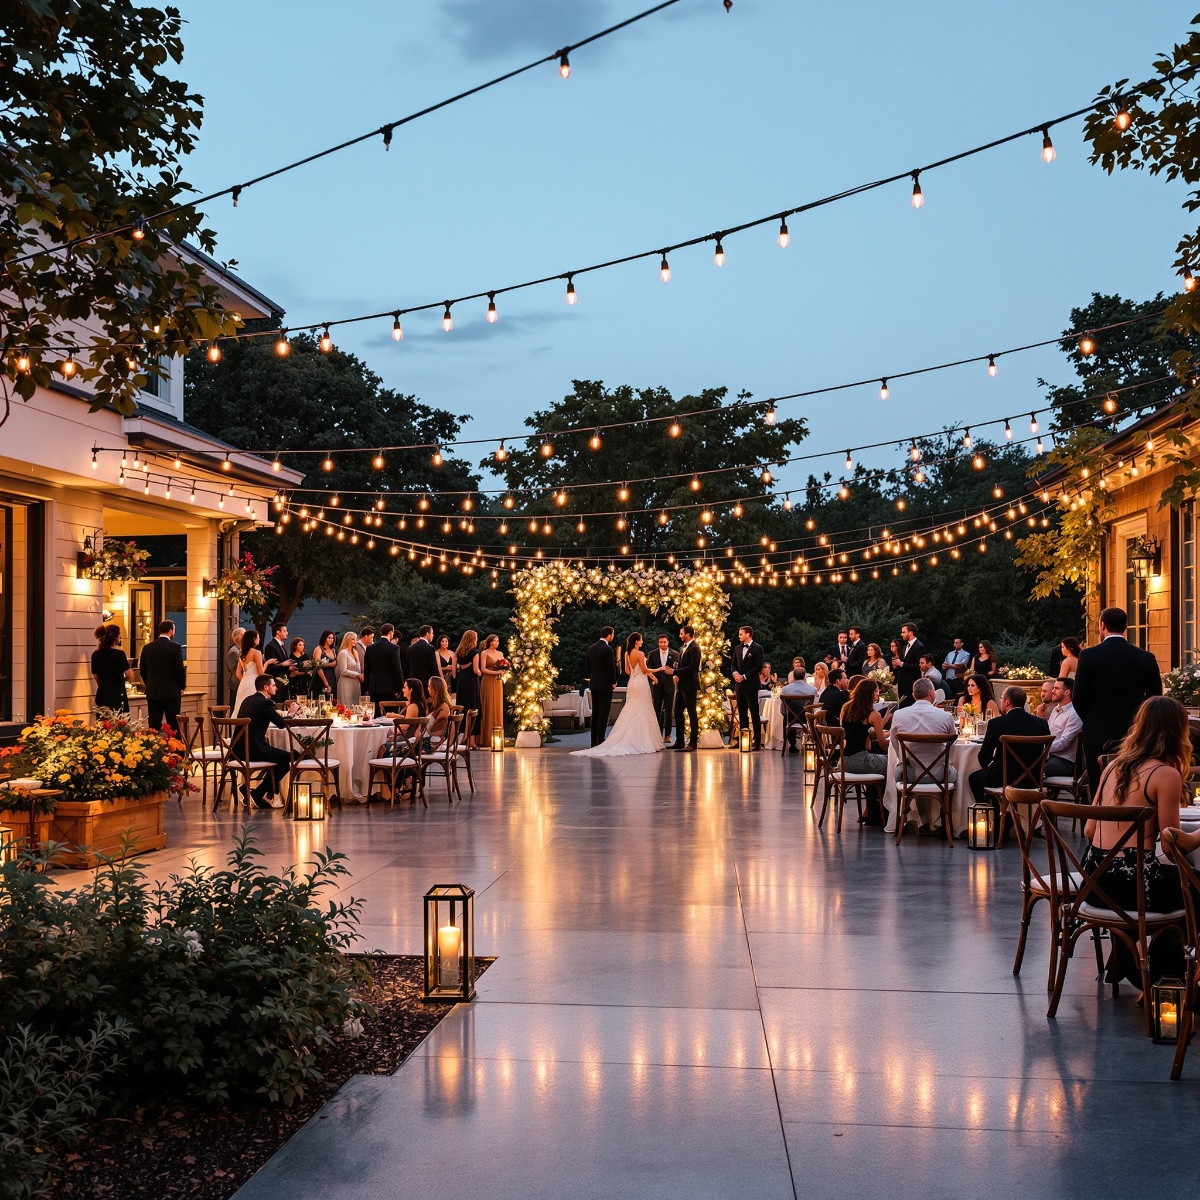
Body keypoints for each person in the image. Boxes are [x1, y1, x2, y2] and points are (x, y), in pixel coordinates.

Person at [1092, 697, 1197, 988]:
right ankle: (1167, 977)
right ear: (1179, 732)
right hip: (1133, 886)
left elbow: (1090, 831)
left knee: (1181, 886)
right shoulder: (1165, 774)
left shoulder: (1112, 768)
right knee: (1192, 888)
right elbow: (1171, 845)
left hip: (1095, 882)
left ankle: (1127, 957)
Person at [1073, 606, 1163, 798]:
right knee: (1135, 785)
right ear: (1126, 627)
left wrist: (1090, 718)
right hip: (1135, 732)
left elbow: (1078, 697)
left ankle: (1098, 826)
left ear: (1102, 625)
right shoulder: (1145, 658)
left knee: (1099, 787)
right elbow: (1155, 698)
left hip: (1097, 731)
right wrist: (1141, 723)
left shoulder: (1089, 656)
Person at [573, 633, 663, 758]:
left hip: (632, 683)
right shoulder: (640, 654)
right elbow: (644, 670)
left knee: (632, 708)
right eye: (641, 640)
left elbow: (627, 671)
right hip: (641, 684)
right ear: (637, 641)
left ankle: (615, 738)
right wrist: (658, 670)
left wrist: (649, 676)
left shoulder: (627, 653)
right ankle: (641, 740)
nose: (642, 642)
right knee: (643, 708)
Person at [889, 678, 958, 832]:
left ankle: (922, 821)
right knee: (958, 774)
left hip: (910, 775)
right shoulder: (946, 717)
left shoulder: (899, 715)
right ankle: (944, 821)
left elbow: (894, 742)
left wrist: (904, 760)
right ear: (931, 693)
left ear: (914, 695)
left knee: (907, 769)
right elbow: (952, 744)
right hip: (940, 776)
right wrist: (947, 765)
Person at [968, 686, 1051, 808]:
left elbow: (984, 759)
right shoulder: (1041, 724)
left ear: (1007, 702)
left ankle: (989, 814)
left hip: (1002, 779)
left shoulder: (997, 724)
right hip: (1033, 779)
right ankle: (1009, 817)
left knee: (974, 778)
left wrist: (991, 765)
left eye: (1001, 699)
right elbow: (1046, 754)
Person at [236, 673, 295, 809]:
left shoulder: (248, 699)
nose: (276, 688)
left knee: (284, 756)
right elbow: (281, 724)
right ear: (266, 687)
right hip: (253, 749)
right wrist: (292, 713)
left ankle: (259, 791)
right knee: (291, 756)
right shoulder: (265, 702)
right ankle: (259, 793)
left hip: (238, 750)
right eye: (274, 685)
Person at [840, 678, 890, 821]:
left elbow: (851, 732)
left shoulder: (846, 708)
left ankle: (871, 810)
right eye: (876, 691)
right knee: (891, 763)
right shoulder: (873, 714)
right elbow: (882, 744)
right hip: (860, 761)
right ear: (871, 693)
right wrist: (896, 737)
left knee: (878, 763)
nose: (878, 693)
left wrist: (869, 736)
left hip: (844, 762)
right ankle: (883, 811)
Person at [139, 619, 186, 735]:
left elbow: (142, 670)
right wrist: (181, 687)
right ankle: (176, 751)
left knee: (153, 725)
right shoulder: (175, 647)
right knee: (173, 725)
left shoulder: (147, 648)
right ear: (171, 631)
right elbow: (180, 669)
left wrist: (149, 683)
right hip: (171, 692)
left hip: (153, 692)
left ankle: (154, 750)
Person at [732, 625, 765, 750]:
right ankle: (743, 740)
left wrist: (744, 676)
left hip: (751, 685)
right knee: (742, 714)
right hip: (739, 685)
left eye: (741, 634)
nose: (739, 636)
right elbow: (734, 664)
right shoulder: (737, 648)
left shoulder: (757, 648)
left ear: (748, 634)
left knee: (754, 713)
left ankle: (757, 742)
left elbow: (758, 666)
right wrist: (735, 674)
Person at [584, 627, 618, 747]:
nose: (613, 637)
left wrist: (594, 677)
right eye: (613, 634)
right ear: (609, 635)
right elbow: (611, 668)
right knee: (604, 712)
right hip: (605, 685)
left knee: (596, 712)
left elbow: (587, 667)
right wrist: (613, 681)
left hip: (594, 684)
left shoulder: (591, 648)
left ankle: (593, 740)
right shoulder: (607, 649)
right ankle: (600, 739)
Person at [1044, 676, 1082, 779]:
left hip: (1065, 761)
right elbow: (1047, 733)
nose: (1052, 691)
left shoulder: (1074, 714)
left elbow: (1064, 742)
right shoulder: (1056, 709)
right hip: (1049, 756)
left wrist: (1043, 748)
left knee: (1035, 769)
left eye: (1056, 688)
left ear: (1067, 692)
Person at [363, 623, 404, 716]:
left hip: (374, 686)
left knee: (376, 715)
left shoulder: (370, 648)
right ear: (390, 632)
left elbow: (367, 669)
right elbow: (397, 669)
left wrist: (367, 687)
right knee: (390, 715)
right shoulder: (394, 648)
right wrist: (399, 687)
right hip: (389, 687)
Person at [672, 626, 701, 751]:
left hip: (690, 685)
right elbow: (684, 665)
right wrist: (677, 671)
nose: (680, 635)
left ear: (688, 634)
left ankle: (693, 743)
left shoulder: (695, 648)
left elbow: (693, 667)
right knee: (677, 711)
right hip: (682, 685)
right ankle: (679, 741)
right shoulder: (684, 648)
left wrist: (675, 671)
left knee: (691, 712)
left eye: (681, 633)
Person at [91, 623, 132, 713]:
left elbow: (96, 676)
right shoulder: (119, 654)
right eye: (119, 634)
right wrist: (121, 679)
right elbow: (129, 675)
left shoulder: (95, 654)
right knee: (120, 722)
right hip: (117, 692)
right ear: (115, 637)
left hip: (102, 692)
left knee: (103, 722)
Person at [646, 634, 679, 743]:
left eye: (664, 642)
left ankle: (667, 735)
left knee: (669, 711)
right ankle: (657, 734)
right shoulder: (652, 654)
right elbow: (648, 669)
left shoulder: (675, 654)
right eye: (661, 642)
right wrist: (653, 680)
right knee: (657, 710)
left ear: (668, 642)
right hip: (657, 686)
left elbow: (679, 669)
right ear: (658, 643)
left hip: (670, 686)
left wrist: (676, 676)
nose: (663, 644)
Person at [477, 633, 507, 743]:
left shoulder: (500, 653)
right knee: (488, 705)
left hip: (498, 681)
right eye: (495, 641)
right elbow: (483, 669)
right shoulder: (484, 653)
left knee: (498, 706)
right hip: (488, 680)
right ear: (490, 642)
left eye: (498, 641)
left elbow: (504, 666)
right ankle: (486, 736)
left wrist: (502, 671)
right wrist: (495, 672)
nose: (497, 643)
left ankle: (498, 737)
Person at [454, 631, 481, 747]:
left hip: (461, 682)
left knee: (463, 709)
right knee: (473, 708)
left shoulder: (458, 652)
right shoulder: (474, 652)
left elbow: (454, 672)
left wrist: (462, 668)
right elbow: (476, 670)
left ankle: (462, 736)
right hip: (472, 683)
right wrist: (480, 673)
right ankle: (472, 741)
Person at [233, 628, 265, 716]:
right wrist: (267, 665)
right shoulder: (256, 653)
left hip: (244, 683)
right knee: (254, 707)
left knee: (241, 706)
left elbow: (238, 673)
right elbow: (261, 673)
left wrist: (246, 679)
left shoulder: (241, 653)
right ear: (254, 639)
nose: (259, 639)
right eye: (258, 637)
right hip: (254, 683)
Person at [891, 622, 926, 701]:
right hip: (902, 684)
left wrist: (902, 664)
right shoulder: (905, 646)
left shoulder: (919, 646)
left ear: (910, 633)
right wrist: (897, 665)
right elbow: (903, 663)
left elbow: (918, 666)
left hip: (911, 684)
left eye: (903, 632)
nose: (901, 634)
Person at [262, 621, 291, 699]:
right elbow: (270, 666)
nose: (287, 633)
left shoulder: (282, 645)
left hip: (284, 681)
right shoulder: (271, 646)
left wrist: (290, 667)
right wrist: (283, 664)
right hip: (276, 681)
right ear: (278, 632)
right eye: (285, 631)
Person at [424, 676, 453, 750]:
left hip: (431, 744)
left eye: (429, 686)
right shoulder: (434, 704)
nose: (428, 689)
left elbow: (439, 731)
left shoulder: (443, 707)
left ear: (435, 689)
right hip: (425, 739)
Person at [336, 631, 363, 706]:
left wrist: (357, 660)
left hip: (355, 684)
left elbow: (358, 670)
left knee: (356, 706)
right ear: (348, 640)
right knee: (347, 705)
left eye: (356, 639)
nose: (355, 641)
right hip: (346, 683)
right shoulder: (343, 653)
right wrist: (357, 674)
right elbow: (343, 671)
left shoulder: (355, 652)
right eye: (353, 639)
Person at [941, 636, 971, 702]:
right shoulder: (950, 654)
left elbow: (961, 665)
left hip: (958, 678)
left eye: (957, 643)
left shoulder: (966, 654)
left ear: (961, 644)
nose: (955, 644)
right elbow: (945, 663)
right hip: (949, 678)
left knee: (957, 696)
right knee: (949, 696)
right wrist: (944, 666)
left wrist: (949, 665)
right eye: (954, 643)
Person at [312, 630, 337, 700]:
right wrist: (325, 682)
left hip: (332, 676)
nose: (331, 640)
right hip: (321, 677)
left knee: (332, 699)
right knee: (322, 698)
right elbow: (317, 666)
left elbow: (336, 663)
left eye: (332, 638)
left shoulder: (333, 650)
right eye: (329, 638)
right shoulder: (319, 649)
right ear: (324, 638)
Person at [226, 627, 244, 701]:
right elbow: (232, 667)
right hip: (236, 683)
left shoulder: (239, 649)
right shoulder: (234, 651)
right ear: (238, 637)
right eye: (244, 635)